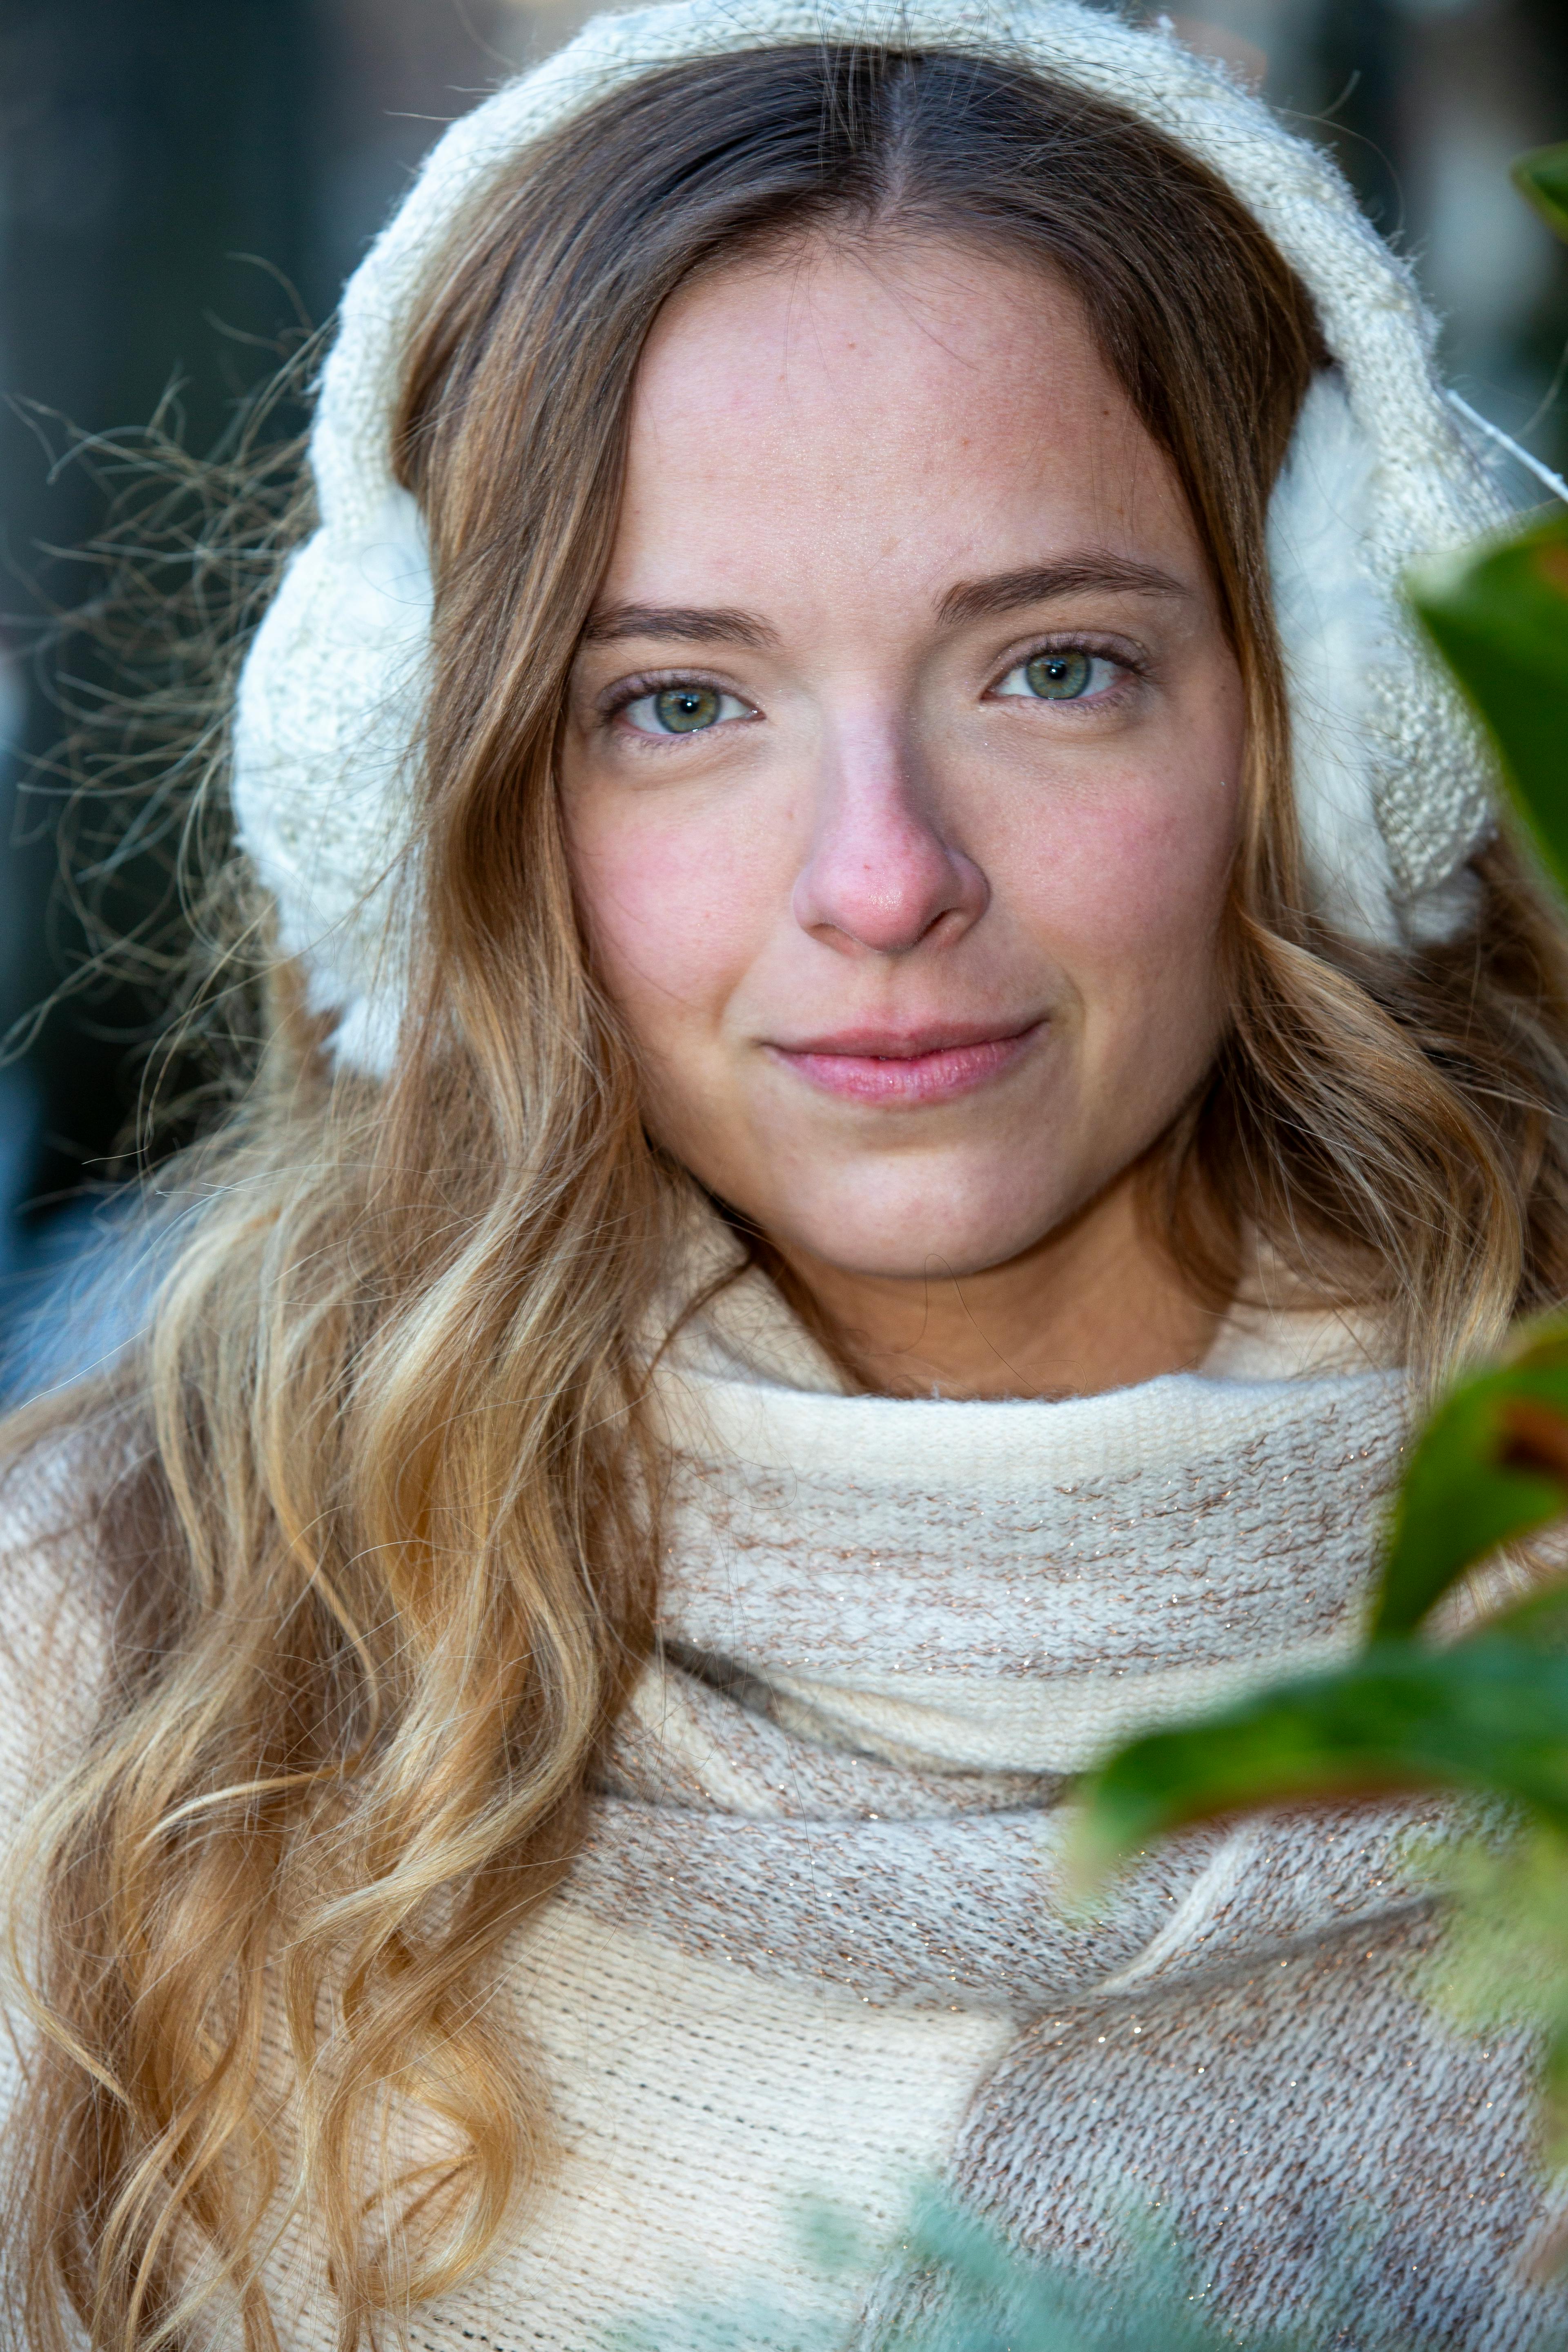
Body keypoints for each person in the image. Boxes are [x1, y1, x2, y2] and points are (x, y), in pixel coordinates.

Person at [4, 4, 1568, 2346]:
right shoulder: (123, 1679)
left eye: (1053, 667)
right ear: (463, 815)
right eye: (677, 704)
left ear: (1329, 719)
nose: (882, 879)